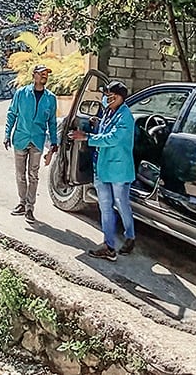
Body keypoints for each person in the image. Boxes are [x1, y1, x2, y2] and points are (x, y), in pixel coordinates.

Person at [69, 81, 136, 261]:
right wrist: (95, 125)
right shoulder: (108, 112)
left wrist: (87, 137)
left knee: (121, 203)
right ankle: (109, 246)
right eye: (106, 95)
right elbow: (104, 131)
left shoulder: (125, 117)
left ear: (120, 97)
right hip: (102, 166)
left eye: (111, 95)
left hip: (118, 169)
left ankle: (130, 236)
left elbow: (112, 138)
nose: (107, 98)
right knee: (105, 206)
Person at [4, 64, 58, 225]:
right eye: (42, 73)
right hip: (21, 138)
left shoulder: (50, 98)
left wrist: (54, 142)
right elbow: (12, 114)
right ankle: (22, 202)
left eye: (46, 74)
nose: (44, 76)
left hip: (37, 140)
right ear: (34, 75)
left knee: (33, 175)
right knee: (20, 174)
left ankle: (30, 207)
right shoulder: (21, 93)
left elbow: (52, 122)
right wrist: (7, 134)